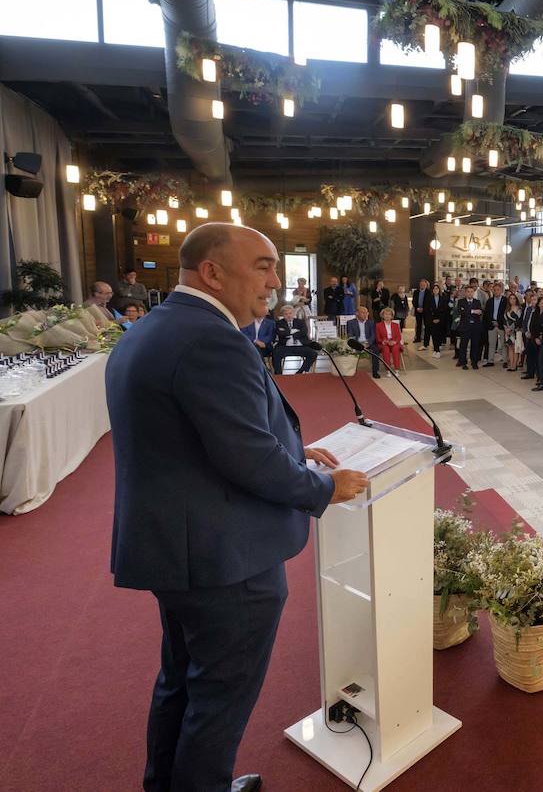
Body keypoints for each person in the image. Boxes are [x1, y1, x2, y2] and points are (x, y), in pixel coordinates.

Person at [107, 222, 368, 792]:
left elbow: (203, 435)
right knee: (219, 699)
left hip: (178, 547)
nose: (275, 281)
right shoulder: (213, 340)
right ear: (213, 272)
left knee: (182, 681)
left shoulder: (156, 325)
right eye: (263, 266)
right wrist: (323, 487)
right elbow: (247, 457)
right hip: (224, 559)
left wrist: (295, 451)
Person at [271, 303, 317, 374]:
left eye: (290, 313)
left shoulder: (300, 322)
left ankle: (300, 371)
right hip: (285, 346)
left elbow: (304, 332)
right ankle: (279, 375)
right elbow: (280, 333)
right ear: (283, 315)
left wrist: (289, 333)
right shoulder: (279, 323)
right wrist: (293, 331)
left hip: (300, 346)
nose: (288, 315)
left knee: (313, 353)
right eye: (286, 314)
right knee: (275, 353)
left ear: (293, 313)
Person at [343, 305, 380, 378]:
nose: (365, 315)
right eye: (363, 313)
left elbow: (373, 335)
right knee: (347, 349)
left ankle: (375, 371)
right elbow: (350, 335)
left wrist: (368, 343)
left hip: (368, 343)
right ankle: (349, 370)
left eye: (366, 313)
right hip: (356, 343)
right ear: (357, 313)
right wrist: (358, 344)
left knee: (375, 350)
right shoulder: (351, 322)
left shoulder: (371, 323)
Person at [454, 284, 483, 370]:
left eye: (471, 292)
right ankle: (463, 362)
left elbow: (480, 312)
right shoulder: (461, 302)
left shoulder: (477, 302)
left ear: (473, 293)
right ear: (465, 293)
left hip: (475, 327)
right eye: (468, 292)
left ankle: (474, 362)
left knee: (475, 345)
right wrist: (473, 311)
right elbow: (461, 312)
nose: (470, 293)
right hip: (465, 327)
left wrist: (469, 311)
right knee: (463, 346)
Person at [484, 282, 506, 368]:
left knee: (503, 344)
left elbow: (506, 313)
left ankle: (505, 360)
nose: (496, 291)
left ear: (501, 290)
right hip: (491, 325)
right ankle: (490, 361)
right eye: (495, 290)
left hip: (501, 325)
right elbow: (486, 314)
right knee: (491, 344)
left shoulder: (505, 300)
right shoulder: (489, 301)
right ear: (493, 291)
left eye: (498, 290)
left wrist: (499, 322)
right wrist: (492, 322)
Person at [375, 306, 403, 371]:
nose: (387, 316)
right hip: (383, 343)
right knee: (386, 349)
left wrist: (394, 342)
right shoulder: (378, 325)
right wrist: (385, 341)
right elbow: (378, 338)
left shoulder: (395, 325)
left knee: (396, 348)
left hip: (394, 342)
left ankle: (397, 369)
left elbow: (399, 337)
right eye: (386, 314)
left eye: (389, 314)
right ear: (382, 315)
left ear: (392, 316)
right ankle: (388, 370)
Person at [424, 283, 447, 357]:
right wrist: (432, 319)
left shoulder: (443, 297)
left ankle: (438, 349)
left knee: (439, 334)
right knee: (434, 335)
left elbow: (445, 309)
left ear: (439, 290)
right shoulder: (429, 298)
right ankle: (436, 350)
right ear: (432, 290)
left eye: (437, 289)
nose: (435, 290)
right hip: (432, 319)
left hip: (441, 319)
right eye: (434, 289)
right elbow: (427, 310)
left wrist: (439, 319)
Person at [412, 277, 431, 343]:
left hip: (426, 311)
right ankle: (418, 338)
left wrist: (423, 308)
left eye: (424, 284)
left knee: (427, 326)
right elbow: (414, 301)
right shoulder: (416, 292)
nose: (422, 285)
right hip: (418, 311)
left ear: (426, 285)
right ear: (419, 284)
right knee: (418, 325)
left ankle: (426, 340)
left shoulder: (429, 292)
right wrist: (417, 307)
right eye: (421, 284)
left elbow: (429, 302)